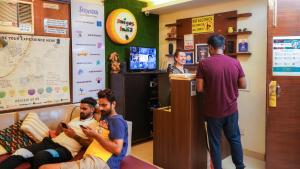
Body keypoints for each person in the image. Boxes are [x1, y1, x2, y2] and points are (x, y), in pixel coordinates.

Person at [40, 89, 128, 169]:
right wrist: (91, 134)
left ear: (114, 104)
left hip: (101, 162)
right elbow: (96, 110)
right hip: (91, 158)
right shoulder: (104, 117)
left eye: (104, 105)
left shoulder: (117, 121)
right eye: (99, 105)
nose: (101, 108)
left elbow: (117, 150)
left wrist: (96, 135)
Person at [0, 97, 99, 169]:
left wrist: (74, 136)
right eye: (80, 108)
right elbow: (57, 133)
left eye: (84, 109)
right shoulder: (75, 119)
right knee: (20, 151)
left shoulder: (94, 124)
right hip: (50, 142)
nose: (81, 111)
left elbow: (90, 144)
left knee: (41, 156)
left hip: (65, 150)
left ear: (92, 109)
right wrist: (61, 127)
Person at [196, 34, 247, 169]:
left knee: (215, 143)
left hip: (212, 112)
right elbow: (243, 84)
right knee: (235, 139)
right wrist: (229, 85)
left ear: (210, 48)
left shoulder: (203, 63)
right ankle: (240, 166)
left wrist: (212, 84)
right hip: (231, 110)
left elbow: (199, 88)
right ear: (224, 47)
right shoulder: (235, 62)